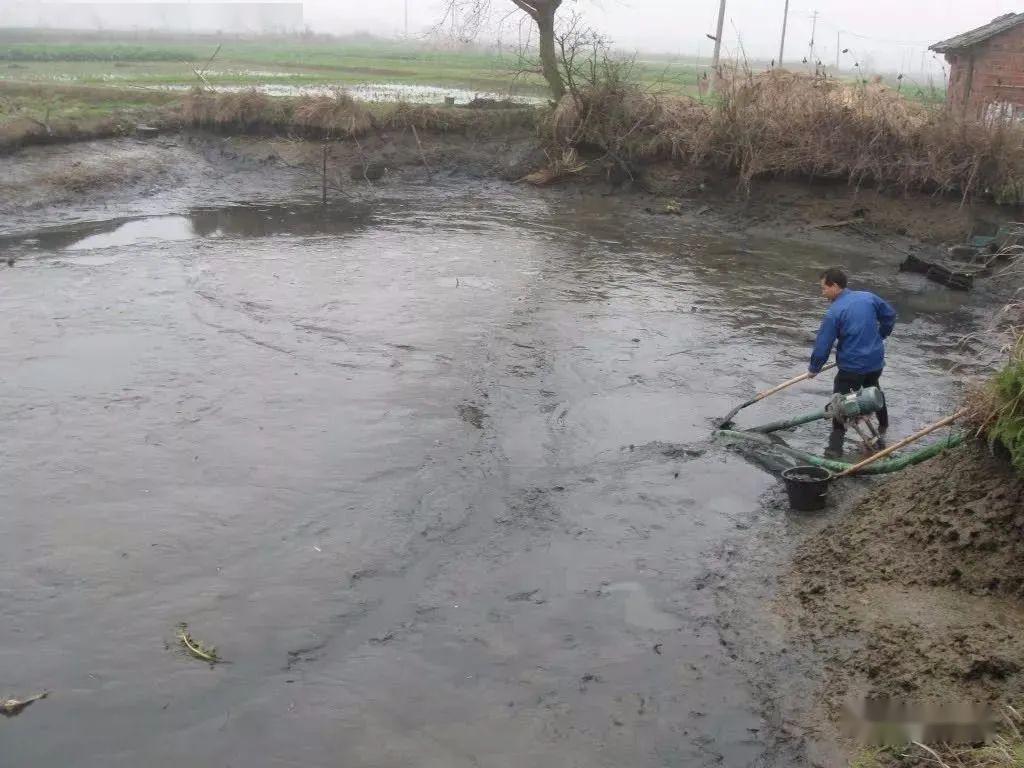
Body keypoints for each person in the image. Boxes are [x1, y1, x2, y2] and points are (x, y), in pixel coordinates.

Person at [808, 267, 897, 457]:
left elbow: (823, 344)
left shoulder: (834, 312)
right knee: (874, 390)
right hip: (875, 362)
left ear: (835, 286)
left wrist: (814, 368)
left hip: (852, 367)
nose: (822, 293)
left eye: (824, 288)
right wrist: (881, 334)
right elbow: (890, 316)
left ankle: (834, 450)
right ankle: (883, 427)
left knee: (839, 405)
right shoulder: (868, 297)